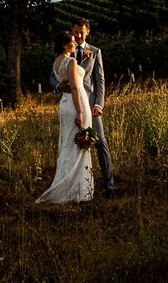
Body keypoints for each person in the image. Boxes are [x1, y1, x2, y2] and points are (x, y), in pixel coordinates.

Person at [50, 18, 114, 196]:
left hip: (90, 105)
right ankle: (77, 184)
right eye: (75, 32)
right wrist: (58, 86)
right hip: (73, 104)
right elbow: (52, 77)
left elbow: (100, 81)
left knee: (100, 142)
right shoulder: (65, 54)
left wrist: (99, 104)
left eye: (81, 32)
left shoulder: (94, 52)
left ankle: (109, 185)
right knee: (73, 144)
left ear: (87, 32)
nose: (77, 36)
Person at [35, 30, 95, 204]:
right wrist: (81, 112)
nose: (75, 44)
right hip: (77, 103)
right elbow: (75, 88)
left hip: (65, 104)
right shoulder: (71, 61)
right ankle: (78, 190)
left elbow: (63, 84)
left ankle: (70, 184)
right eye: (72, 42)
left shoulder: (56, 62)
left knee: (69, 143)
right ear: (64, 45)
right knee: (79, 144)